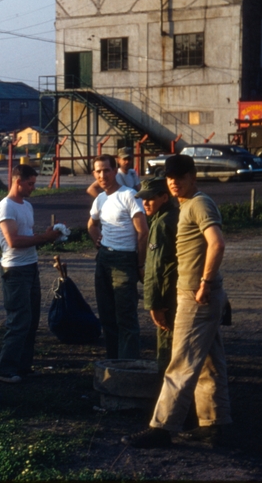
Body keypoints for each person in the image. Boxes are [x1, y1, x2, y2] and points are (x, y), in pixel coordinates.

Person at [123, 153, 231, 448]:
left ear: (193, 176)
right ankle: (215, 424)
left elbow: (217, 243)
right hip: (200, 294)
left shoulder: (199, 203)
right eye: (170, 178)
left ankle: (162, 427)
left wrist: (205, 283)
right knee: (210, 363)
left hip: (196, 295)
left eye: (180, 177)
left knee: (180, 363)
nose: (174, 182)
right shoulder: (184, 206)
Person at [0, 164, 60, 383]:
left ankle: (22, 366)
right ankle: (5, 369)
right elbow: (13, 241)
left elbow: (28, 236)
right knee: (19, 320)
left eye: (34, 183)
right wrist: (44, 238)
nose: (33, 187)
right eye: (30, 183)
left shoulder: (27, 205)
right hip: (14, 270)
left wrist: (47, 237)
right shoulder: (6, 207)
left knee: (31, 320)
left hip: (30, 266)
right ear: (17, 181)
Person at [87, 154, 148, 360]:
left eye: (106, 170)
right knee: (107, 314)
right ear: (94, 174)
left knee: (126, 317)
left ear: (114, 171)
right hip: (104, 259)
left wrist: (140, 264)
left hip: (125, 259)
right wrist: (97, 240)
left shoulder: (129, 195)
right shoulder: (101, 199)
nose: (102, 175)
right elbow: (91, 224)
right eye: (98, 171)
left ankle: (129, 365)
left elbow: (143, 232)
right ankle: (113, 362)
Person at [135, 177, 179, 376]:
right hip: (181, 292)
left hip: (168, 295)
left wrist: (153, 304)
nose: (145, 203)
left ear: (164, 197)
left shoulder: (161, 224)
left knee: (167, 350)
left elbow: (154, 268)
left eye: (151, 199)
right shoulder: (177, 215)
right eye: (143, 199)